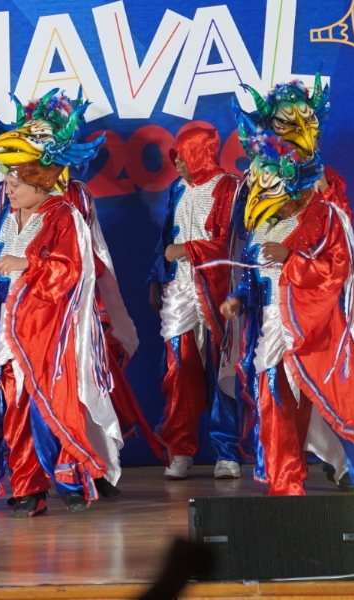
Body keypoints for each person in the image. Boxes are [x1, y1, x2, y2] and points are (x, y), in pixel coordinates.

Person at [0, 91, 160, 498]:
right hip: (8, 315)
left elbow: (89, 259)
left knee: (74, 389)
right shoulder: (1, 200)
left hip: (63, 312)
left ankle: (86, 467)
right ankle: (24, 479)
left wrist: (99, 312)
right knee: (11, 393)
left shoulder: (71, 202)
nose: (11, 181)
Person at [218, 128, 354, 496]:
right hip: (269, 330)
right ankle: (286, 482)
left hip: (316, 331)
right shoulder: (263, 223)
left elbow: (336, 270)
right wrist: (238, 298)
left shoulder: (325, 216)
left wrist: (292, 260)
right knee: (275, 405)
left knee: (342, 405)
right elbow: (254, 276)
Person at [146, 125, 247, 480]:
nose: (179, 165)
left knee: (222, 371)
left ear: (202, 155)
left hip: (218, 292)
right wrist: (157, 278)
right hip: (180, 292)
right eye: (176, 158)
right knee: (179, 372)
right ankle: (180, 450)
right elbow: (167, 238)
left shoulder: (230, 188)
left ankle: (226, 452)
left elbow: (232, 243)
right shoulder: (177, 189)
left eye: (185, 158)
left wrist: (186, 250)